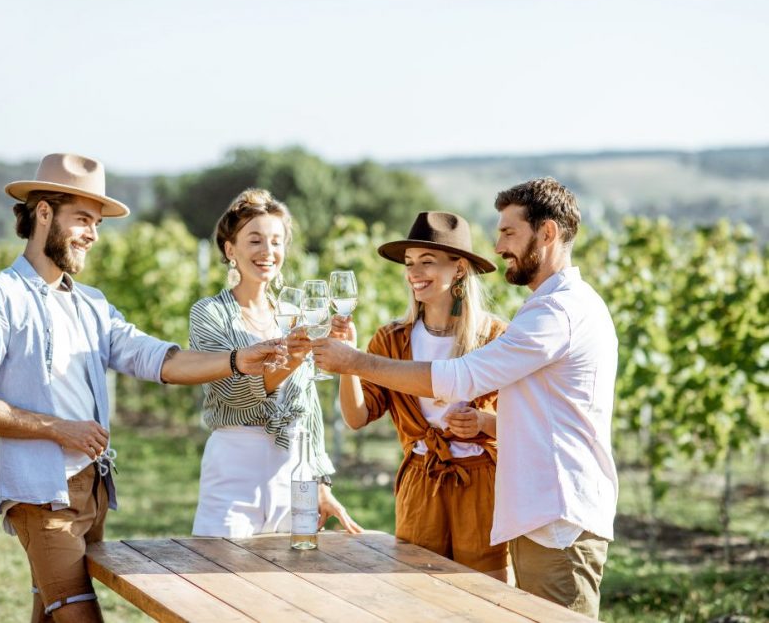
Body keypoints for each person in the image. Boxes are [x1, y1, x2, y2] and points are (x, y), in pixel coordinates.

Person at [0, 153, 284, 623]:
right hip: (43, 494)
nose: (93, 234)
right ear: (42, 212)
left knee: (49, 610)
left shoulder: (91, 304)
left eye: (98, 223)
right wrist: (58, 428)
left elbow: (155, 358)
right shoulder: (1, 298)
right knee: (78, 613)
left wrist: (236, 361)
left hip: (93, 489)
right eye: (82, 219)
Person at [312, 178, 618, 619]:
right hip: (535, 508)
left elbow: (461, 377)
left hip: (555, 512)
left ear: (547, 233)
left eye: (509, 233)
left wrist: (354, 361)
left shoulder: (553, 312)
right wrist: (355, 362)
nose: (499, 246)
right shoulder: (549, 306)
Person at [325, 211, 511, 581]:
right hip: (421, 483)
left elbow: (525, 421)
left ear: (458, 269)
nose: (414, 272)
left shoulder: (495, 337)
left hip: (480, 485)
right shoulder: (392, 340)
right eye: (410, 264)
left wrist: (483, 422)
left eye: (427, 262)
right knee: (418, 593)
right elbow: (356, 418)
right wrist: (349, 361)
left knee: (487, 598)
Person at [189, 188, 362, 538]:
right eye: (255, 240)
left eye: (276, 241)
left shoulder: (296, 316)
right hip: (235, 467)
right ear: (229, 250)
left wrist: (321, 482)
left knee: (289, 583)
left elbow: (308, 408)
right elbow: (232, 392)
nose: (268, 252)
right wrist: (293, 361)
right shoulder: (209, 314)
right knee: (218, 578)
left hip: (293, 472)